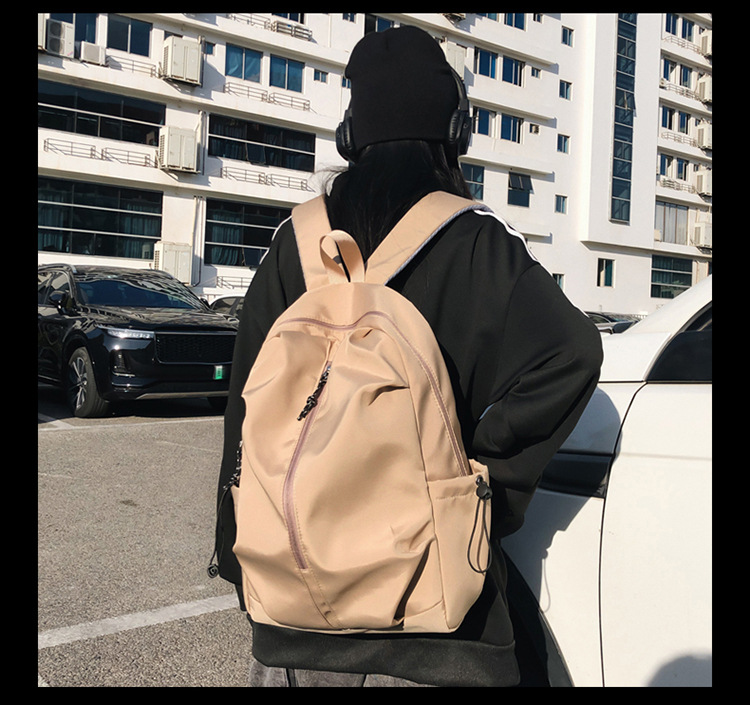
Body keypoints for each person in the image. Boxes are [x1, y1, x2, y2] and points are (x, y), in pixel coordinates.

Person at [214, 25, 603, 688]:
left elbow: (245, 414)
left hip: (298, 621)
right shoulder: (477, 243)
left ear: (350, 133)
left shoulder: (295, 244)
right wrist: (483, 480)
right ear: (455, 130)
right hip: (432, 624)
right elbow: (572, 353)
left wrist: (236, 549)